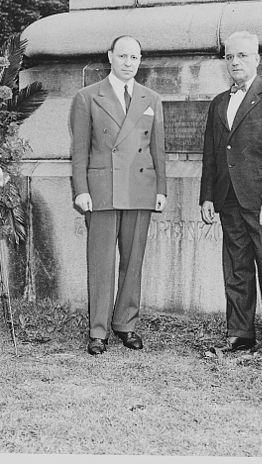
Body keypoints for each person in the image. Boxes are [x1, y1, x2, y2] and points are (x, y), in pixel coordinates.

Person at [199, 30, 262, 364]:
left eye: (242, 55)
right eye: (230, 57)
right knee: (236, 269)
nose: (235, 62)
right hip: (227, 200)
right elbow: (211, 154)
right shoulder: (218, 103)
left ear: (256, 58)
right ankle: (240, 335)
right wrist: (207, 196)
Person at [70, 35, 167, 355]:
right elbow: (80, 150)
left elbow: (158, 149)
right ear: (110, 57)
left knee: (133, 260)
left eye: (135, 58)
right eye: (123, 56)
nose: (129, 63)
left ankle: (126, 323)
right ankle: (97, 330)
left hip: (140, 187)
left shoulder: (151, 98)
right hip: (102, 190)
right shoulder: (87, 97)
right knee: (101, 262)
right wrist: (81, 190)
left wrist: (161, 189)